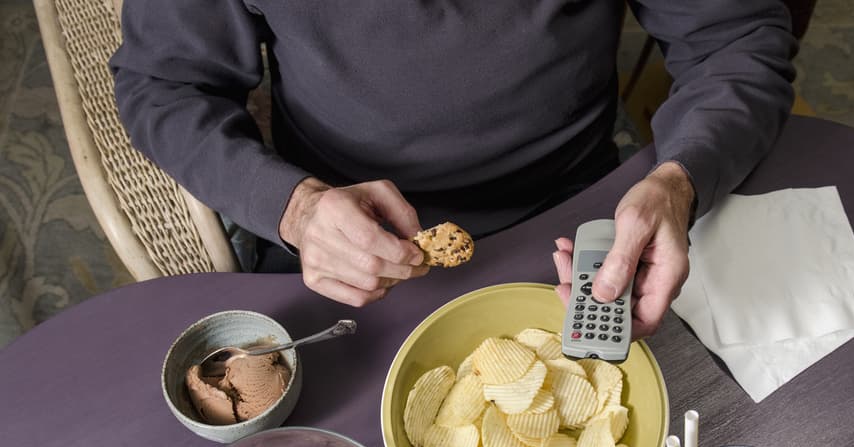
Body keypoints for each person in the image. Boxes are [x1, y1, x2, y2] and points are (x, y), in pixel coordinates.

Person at [110, 1, 797, 339]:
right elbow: (163, 85)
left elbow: (736, 36)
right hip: (338, 251)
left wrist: (680, 180)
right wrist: (292, 207)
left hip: (578, 227)